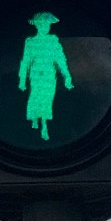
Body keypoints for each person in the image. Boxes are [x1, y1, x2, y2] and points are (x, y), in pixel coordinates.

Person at [17, 11, 73, 141]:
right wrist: (22, 80)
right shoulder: (30, 42)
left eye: (47, 25)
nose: (45, 27)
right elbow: (25, 61)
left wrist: (67, 77)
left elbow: (61, 60)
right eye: (42, 24)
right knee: (36, 97)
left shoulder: (53, 41)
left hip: (49, 76)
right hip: (36, 75)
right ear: (37, 25)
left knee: (47, 100)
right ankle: (36, 119)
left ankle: (44, 126)